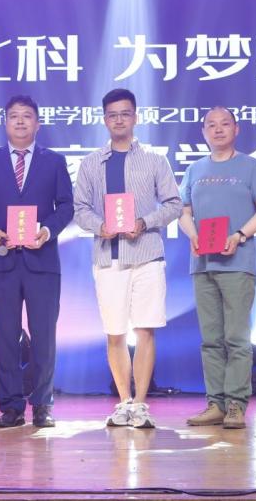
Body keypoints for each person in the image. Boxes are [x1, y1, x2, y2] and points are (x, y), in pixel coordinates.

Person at [73, 88, 182, 429]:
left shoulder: (154, 160)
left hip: (147, 255)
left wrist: (145, 222)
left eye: (125, 113)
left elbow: (174, 204)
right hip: (109, 258)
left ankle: (141, 404)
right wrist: (100, 226)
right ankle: (123, 402)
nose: (119, 120)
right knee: (115, 333)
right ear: (104, 119)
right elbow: (80, 209)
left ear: (135, 117)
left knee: (145, 330)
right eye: (112, 115)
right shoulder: (91, 163)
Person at [0, 95, 74, 428]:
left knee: (44, 336)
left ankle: (42, 404)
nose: (21, 121)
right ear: (5, 123)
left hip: (42, 261)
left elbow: (66, 206)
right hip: (2, 261)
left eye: (27, 116)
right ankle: (11, 406)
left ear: (38, 123)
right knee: (6, 336)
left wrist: (47, 230)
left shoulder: (54, 162)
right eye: (14, 116)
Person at [179, 107, 256, 429]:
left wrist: (240, 235)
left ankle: (235, 404)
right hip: (202, 262)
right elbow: (183, 210)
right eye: (211, 125)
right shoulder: (194, 169)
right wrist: (192, 235)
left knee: (236, 337)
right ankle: (215, 403)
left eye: (225, 124)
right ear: (203, 131)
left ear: (236, 129)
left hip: (237, 261)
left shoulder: (251, 166)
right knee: (210, 338)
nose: (218, 129)